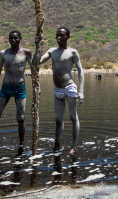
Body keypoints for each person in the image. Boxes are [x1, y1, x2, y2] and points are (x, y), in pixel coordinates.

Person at [38, 26, 84, 156]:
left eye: (62, 35)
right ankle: (57, 144)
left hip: (69, 87)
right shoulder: (52, 51)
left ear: (68, 37)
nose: (59, 37)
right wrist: (37, 45)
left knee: (72, 116)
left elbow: (81, 71)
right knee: (58, 119)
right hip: (57, 89)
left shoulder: (73, 52)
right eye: (57, 35)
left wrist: (81, 91)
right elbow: (39, 61)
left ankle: (74, 146)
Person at [0, 30, 32, 149]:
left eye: (15, 38)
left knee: (21, 119)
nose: (13, 40)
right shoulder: (3, 53)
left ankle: (21, 145)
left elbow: (34, 69)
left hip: (20, 88)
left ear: (20, 39)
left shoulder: (26, 52)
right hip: (6, 87)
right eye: (11, 38)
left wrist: (37, 86)